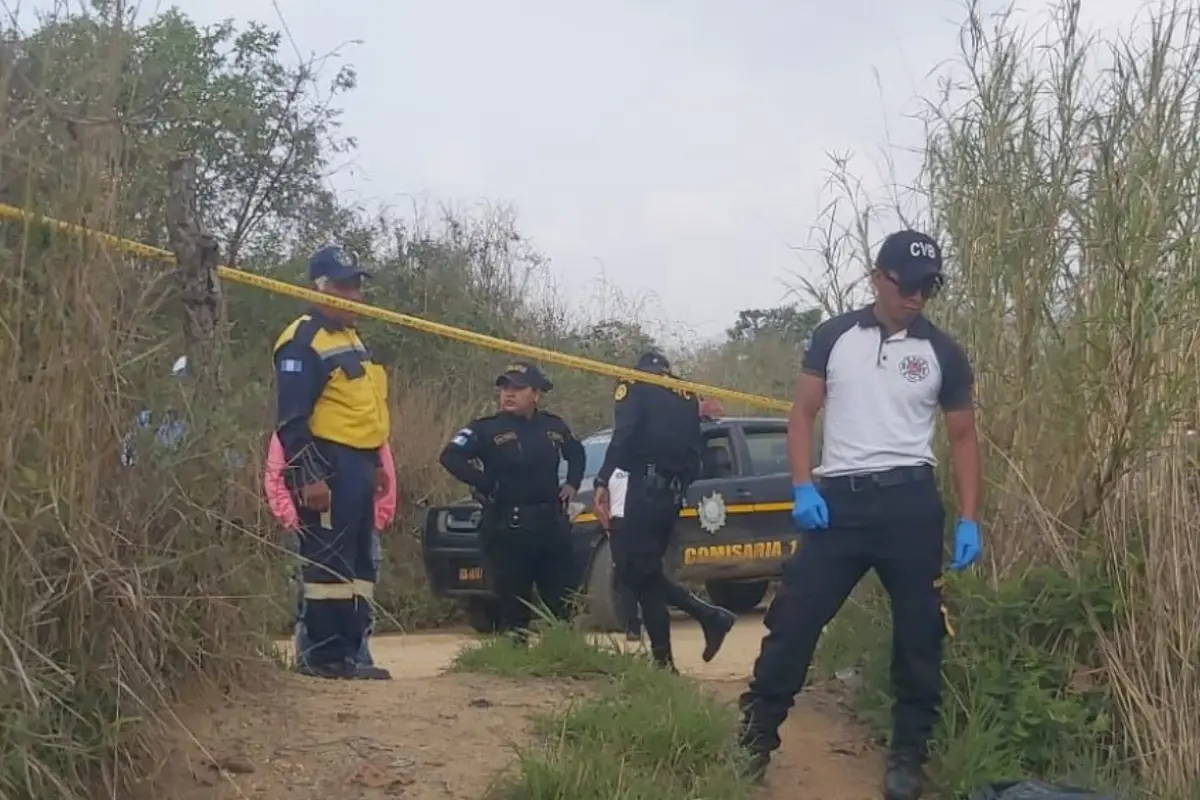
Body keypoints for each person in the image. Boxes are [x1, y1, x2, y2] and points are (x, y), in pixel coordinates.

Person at [735, 230, 982, 799]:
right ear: (878, 276)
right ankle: (754, 738)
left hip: (910, 506)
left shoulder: (942, 352)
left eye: (930, 286)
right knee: (794, 621)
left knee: (919, 634)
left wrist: (970, 517)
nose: (918, 296)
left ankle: (907, 757)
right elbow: (802, 415)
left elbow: (964, 439)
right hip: (838, 504)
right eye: (908, 284)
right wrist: (803, 486)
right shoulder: (834, 336)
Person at [272, 243, 393, 680]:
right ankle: (323, 658)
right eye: (345, 286)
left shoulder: (351, 338)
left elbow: (363, 409)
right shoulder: (302, 340)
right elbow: (291, 421)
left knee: (358, 564)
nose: (355, 295)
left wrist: (377, 462)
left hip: (359, 463)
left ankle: (350, 654)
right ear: (319, 288)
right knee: (327, 565)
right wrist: (309, 476)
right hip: (326, 464)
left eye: (357, 286)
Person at [592, 351, 737, 673]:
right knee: (644, 572)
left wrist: (603, 478)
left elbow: (625, 433)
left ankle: (710, 616)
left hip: (643, 486)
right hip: (670, 492)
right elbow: (695, 449)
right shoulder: (686, 393)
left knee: (633, 570)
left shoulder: (635, 384)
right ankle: (664, 662)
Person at [439, 360, 586, 637]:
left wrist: (572, 484)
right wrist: (483, 482)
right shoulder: (485, 429)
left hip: (550, 527)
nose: (508, 393)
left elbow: (576, 453)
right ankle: (514, 659)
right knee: (513, 606)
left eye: (518, 388)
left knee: (561, 602)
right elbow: (450, 456)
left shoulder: (553, 426)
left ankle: (562, 655)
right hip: (508, 527)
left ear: (536, 393)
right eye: (505, 387)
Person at [264, 432, 397, 670]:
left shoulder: (366, 423)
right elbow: (276, 475)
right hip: (310, 525)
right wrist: (292, 520)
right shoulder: (297, 428)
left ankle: (358, 656)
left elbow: (385, 473)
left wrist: (378, 517)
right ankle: (311, 658)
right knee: (315, 592)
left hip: (364, 524)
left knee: (362, 590)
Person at [595, 467, 643, 643]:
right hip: (618, 525)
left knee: (647, 574)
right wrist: (608, 526)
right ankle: (633, 624)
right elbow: (600, 503)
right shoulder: (607, 472)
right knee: (623, 576)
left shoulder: (645, 465)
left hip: (642, 523)